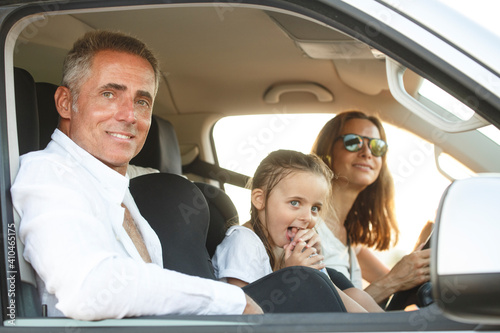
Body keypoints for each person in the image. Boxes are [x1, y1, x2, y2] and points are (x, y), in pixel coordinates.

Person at [10, 30, 263, 320]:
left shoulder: (114, 184)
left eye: (142, 101)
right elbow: (90, 289)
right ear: (66, 103)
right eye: (109, 94)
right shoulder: (49, 174)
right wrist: (231, 301)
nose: (129, 115)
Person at [212, 149, 383, 312]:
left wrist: (316, 269)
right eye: (295, 203)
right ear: (260, 199)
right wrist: (292, 277)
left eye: (315, 208)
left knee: (354, 294)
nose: (308, 217)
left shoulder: (278, 246)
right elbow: (244, 314)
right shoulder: (243, 242)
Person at [311, 111, 431, 305]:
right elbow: (324, 315)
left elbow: (402, 279)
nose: (367, 152)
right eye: (353, 142)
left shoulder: (351, 242)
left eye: (377, 146)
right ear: (327, 151)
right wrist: (393, 281)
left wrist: (423, 245)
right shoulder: (307, 225)